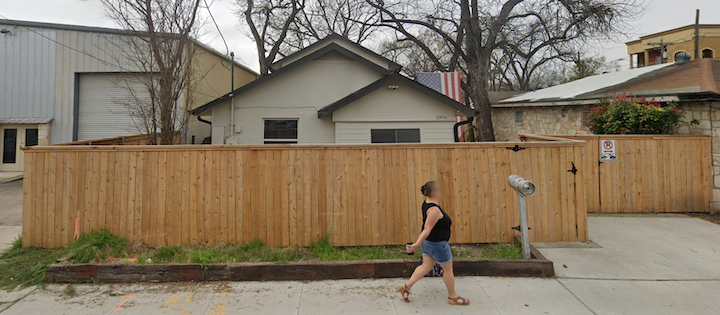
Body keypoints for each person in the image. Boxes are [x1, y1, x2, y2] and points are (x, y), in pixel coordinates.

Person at [398, 181, 470, 306]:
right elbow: (427, 229)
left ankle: (406, 287)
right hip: (437, 245)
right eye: (439, 189)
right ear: (434, 192)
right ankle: (453, 296)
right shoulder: (434, 210)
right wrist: (416, 245)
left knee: (426, 266)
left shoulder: (427, 203)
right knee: (448, 270)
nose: (442, 191)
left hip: (429, 244)